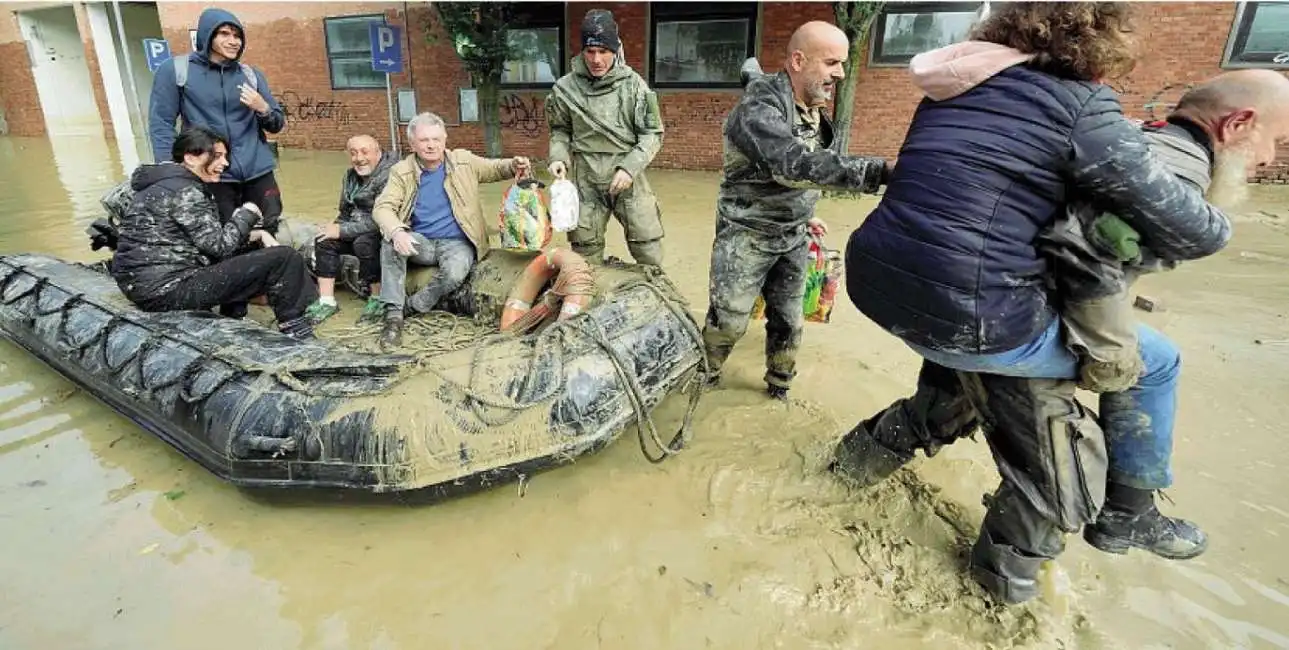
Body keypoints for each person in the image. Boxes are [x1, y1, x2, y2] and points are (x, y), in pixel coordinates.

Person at [832, 2, 1235, 605]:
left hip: (884, 286)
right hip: (976, 317)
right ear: (1098, 46)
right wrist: (1226, 195)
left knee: (951, 397)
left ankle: (840, 475)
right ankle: (1109, 523)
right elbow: (1191, 229)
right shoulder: (1081, 107)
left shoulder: (950, 89)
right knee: (1155, 365)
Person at [700, 21, 889, 401]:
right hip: (746, 232)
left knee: (789, 319)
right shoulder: (758, 108)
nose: (840, 73)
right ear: (798, 60)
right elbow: (791, 164)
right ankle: (704, 374)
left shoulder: (812, 103)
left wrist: (806, 211)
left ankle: (779, 385)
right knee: (729, 319)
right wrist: (880, 171)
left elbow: (812, 165)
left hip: (794, 233)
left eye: (843, 63)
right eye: (832, 62)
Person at [111, 126, 317, 340]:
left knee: (247, 246)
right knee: (284, 257)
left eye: (225, 156)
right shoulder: (186, 191)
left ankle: (233, 317)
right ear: (190, 157)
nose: (225, 164)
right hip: (167, 290)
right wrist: (248, 212)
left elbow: (205, 240)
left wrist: (259, 235)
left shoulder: (160, 185)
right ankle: (297, 331)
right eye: (217, 156)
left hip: (143, 286)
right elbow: (220, 247)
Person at [371, 112, 531, 350]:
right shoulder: (401, 171)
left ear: (445, 139)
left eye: (436, 139)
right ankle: (393, 317)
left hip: (457, 242)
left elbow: (495, 169)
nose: (431, 145)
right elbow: (382, 207)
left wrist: (514, 164)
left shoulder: (464, 161)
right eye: (424, 140)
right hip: (421, 241)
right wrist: (397, 232)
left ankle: (413, 306)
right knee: (389, 242)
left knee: (455, 273)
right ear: (412, 144)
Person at [546, 9, 665, 267]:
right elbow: (560, 130)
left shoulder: (634, 86)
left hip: (627, 177)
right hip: (585, 178)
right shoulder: (565, 89)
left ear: (616, 49)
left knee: (648, 248)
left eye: (604, 51)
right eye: (590, 51)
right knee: (584, 253)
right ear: (582, 51)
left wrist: (629, 168)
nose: (596, 59)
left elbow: (652, 134)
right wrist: (558, 157)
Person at [148, 7, 286, 230]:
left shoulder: (251, 75)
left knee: (270, 229)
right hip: (212, 175)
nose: (234, 41)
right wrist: (171, 173)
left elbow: (277, 124)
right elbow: (161, 125)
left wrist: (263, 108)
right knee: (221, 239)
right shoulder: (176, 71)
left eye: (237, 35)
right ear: (207, 35)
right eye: (224, 34)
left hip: (258, 172)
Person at [305, 134, 397, 325]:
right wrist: (333, 228)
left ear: (378, 152)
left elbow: (382, 218)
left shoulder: (391, 176)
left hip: (383, 230)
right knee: (324, 240)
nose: (359, 158)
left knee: (364, 243)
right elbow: (344, 211)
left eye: (365, 152)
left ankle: (377, 297)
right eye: (354, 153)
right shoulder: (350, 176)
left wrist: (342, 231)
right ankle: (327, 301)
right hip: (354, 226)